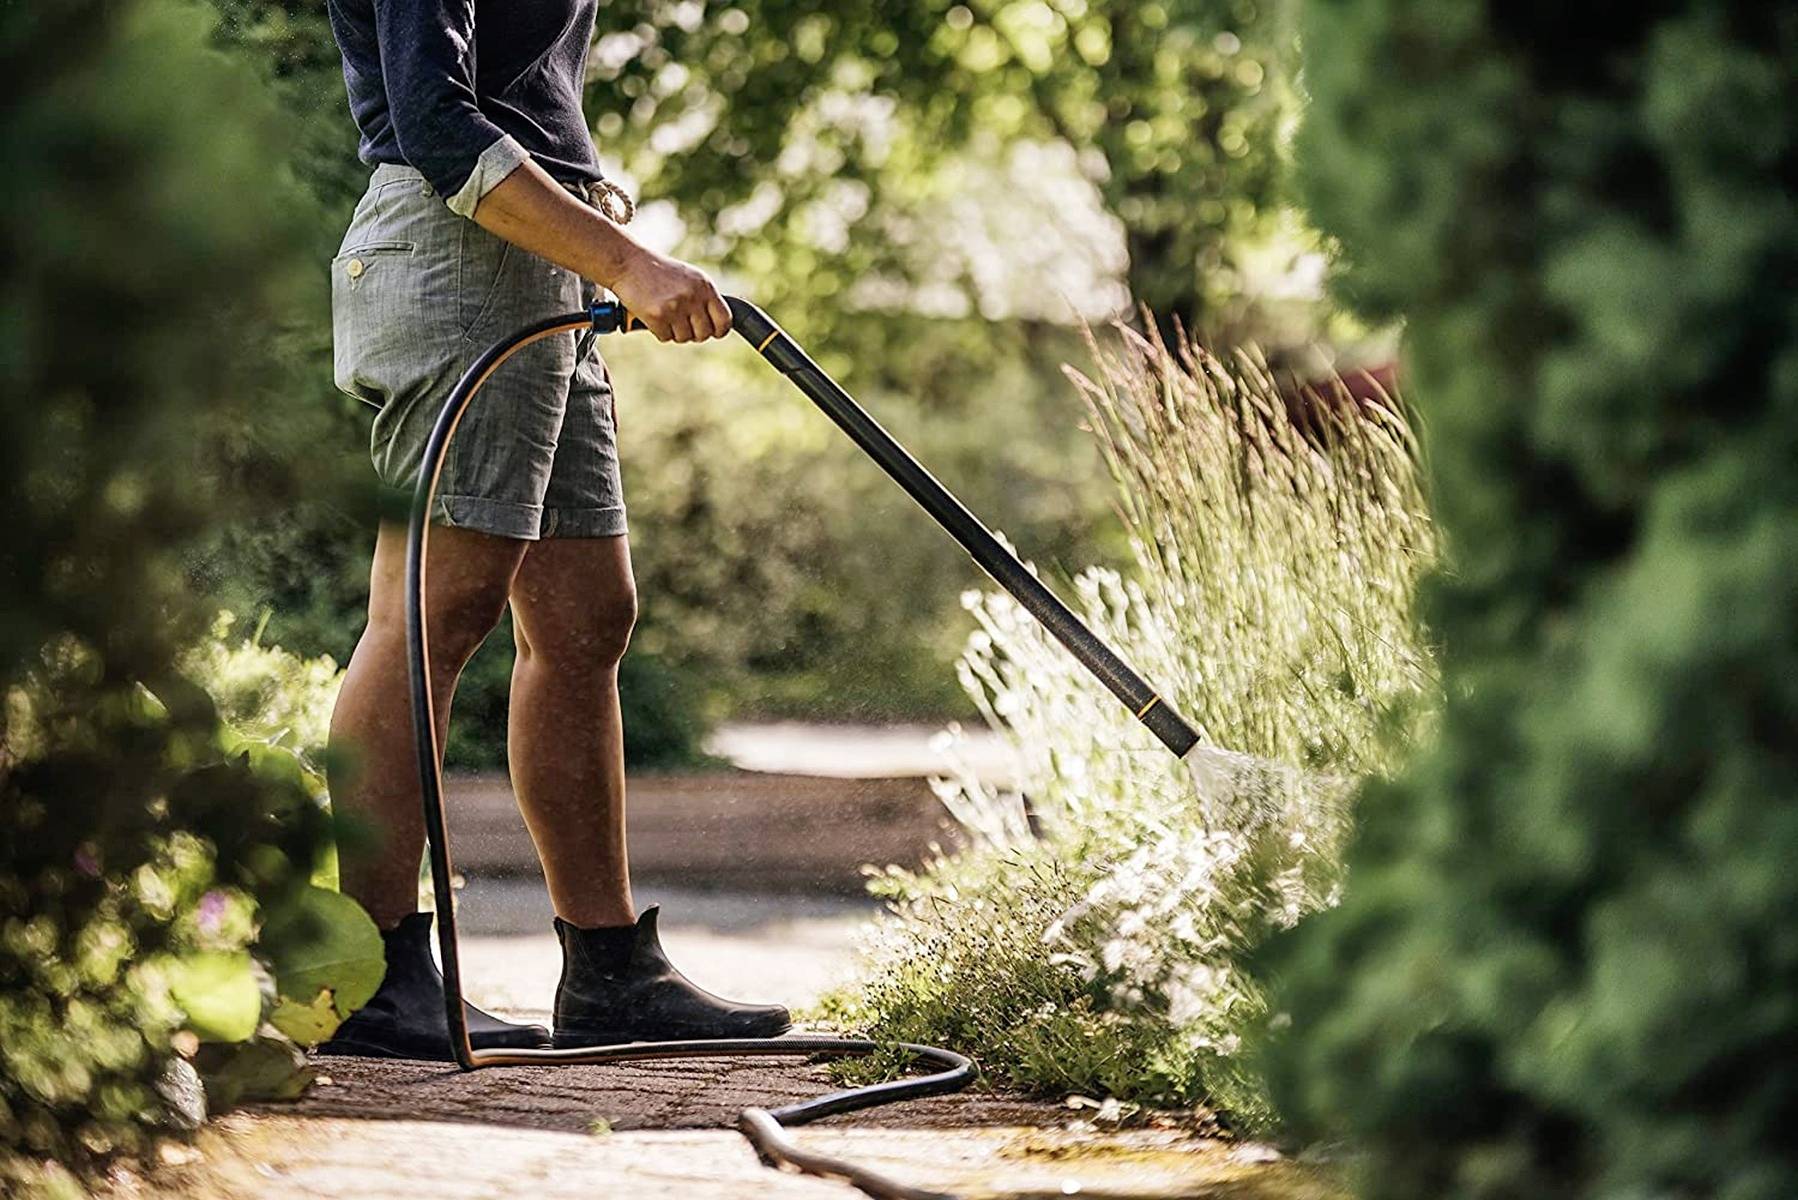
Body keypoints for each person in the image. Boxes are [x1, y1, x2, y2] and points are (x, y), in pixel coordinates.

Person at [318, 0, 789, 1059]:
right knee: (434, 611)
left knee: (586, 615)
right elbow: (435, 121)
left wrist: (600, 256)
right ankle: (372, 974)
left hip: (547, 252)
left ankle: (609, 969)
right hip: (462, 248)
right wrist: (631, 264)